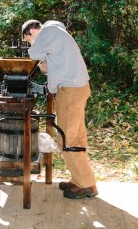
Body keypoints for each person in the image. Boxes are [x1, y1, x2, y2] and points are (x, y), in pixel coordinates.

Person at [21, 20, 98, 199]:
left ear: (32, 30)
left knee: (67, 138)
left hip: (70, 91)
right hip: (75, 89)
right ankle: (79, 179)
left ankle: (87, 185)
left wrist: (33, 44)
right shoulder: (58, 36)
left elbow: (33, 53)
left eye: (29, 38)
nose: (30, 41)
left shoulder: (49, 31)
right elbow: (46, 68)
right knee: (76, 136)